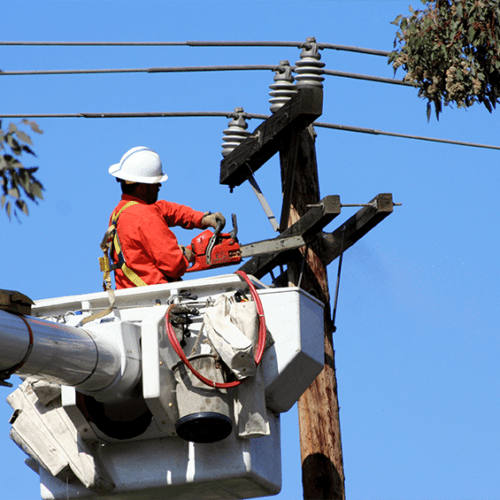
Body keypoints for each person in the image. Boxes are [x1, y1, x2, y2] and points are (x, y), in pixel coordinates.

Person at [107, 146, 225, 289]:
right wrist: (185, 255)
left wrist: (201, 218)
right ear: (143, 187)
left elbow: (166, 209)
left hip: (130, 297)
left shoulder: (120, 212)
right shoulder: (146, 217)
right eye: (156, 183)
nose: (159, 186)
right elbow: (174, 265)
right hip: (155, 299)